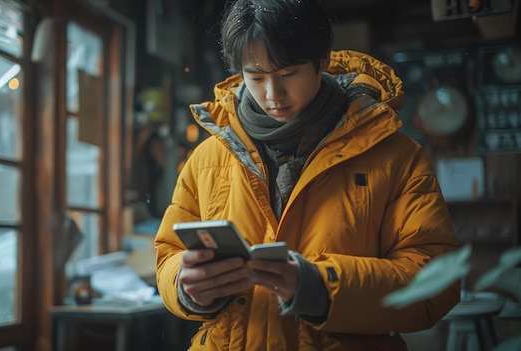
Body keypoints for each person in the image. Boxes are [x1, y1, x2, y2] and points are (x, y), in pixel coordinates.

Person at [154, 0, 461, 349]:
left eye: (288, 74)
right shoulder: (208, 157)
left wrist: (320, 286)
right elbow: (169, 255)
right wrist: (186, 286)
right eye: (255, 77)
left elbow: (436, 282)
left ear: (323, 61)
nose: (273, 95)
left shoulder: (395, 156)